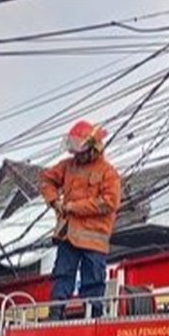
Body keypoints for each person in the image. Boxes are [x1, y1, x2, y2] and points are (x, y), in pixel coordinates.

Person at [40, 120, 121, 320]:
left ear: (93, 148)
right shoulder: (68, 167)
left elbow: (109, 203)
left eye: (80, 152)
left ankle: (93, 316)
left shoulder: (107, 173)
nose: (77, 156)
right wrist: (54, 201)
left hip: (94, 240)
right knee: (62, 276)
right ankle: (56, 313)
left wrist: (72, 207)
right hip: (69, 235)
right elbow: (46, 180)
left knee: (93, 282)